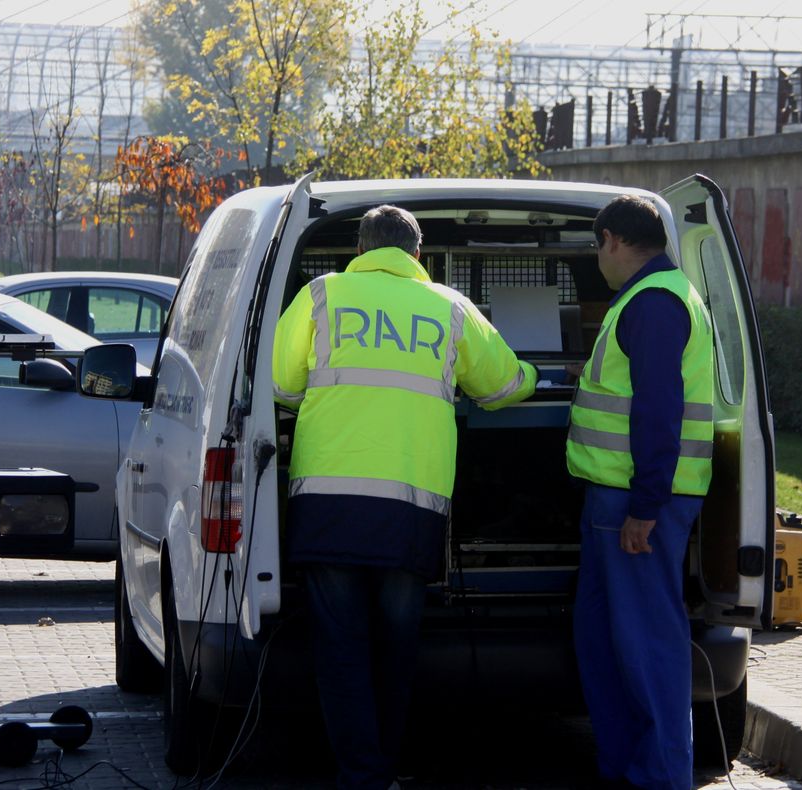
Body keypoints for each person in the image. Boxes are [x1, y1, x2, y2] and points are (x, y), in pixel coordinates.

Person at [272, 204, 538, 790]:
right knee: (396, 648)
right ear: (417, 254)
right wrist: (541, 377)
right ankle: (384, 769)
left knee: (340, 648)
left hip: (329, 500)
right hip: (411, 508)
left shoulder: (321, 295)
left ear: (360, 249)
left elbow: (281, 386)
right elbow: (502, 386)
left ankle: (361, 774)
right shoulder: (448, 305)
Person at [565, 194, 715, 789]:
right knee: (604, 638)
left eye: (596, 248)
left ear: (611, 240)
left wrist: (645, 507)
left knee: (647, 641)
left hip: (638, 503)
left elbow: (659, 408)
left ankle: (661, 776)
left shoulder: (653, 302)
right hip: (622, 500)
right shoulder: (657, 296)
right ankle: (629, 766)